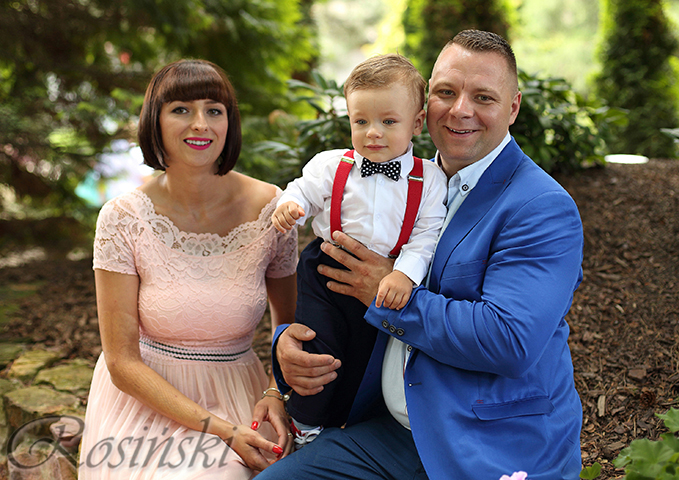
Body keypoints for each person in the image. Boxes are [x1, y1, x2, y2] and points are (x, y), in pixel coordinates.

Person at [260, 30, 584, 480]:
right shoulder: (405, 181)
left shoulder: (540, 207)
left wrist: (390, 293)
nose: (460, 110)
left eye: (483, 97)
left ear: (513, 107)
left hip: (488, 443)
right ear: (424, 103)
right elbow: (335, 294)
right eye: (446, 92)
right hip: (386, 430)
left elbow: (509, 341)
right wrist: (291, 346)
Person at [79, 59, 298, 479]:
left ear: (229, 123)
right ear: (155, 121)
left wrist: (276, 392)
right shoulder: (122, 217)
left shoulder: (272, 208)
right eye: (181, 109)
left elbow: (289, 325)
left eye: (214, 110)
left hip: (241, 398)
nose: (201, 124)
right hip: (146, 403)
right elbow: (121, 362)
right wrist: (221, 431)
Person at [271, 54, 447, 447]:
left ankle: (350, 424)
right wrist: (291, 206)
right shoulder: (331, 165)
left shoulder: (430, 179)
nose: (373, 133)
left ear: (417, 123)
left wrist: (404, 273)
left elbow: (427, 235)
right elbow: (303, 189)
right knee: (319, 347)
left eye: (389, 121)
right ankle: (305, 422)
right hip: (324, 271)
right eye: (361, 121)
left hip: (386, 280)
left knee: (364, 358)